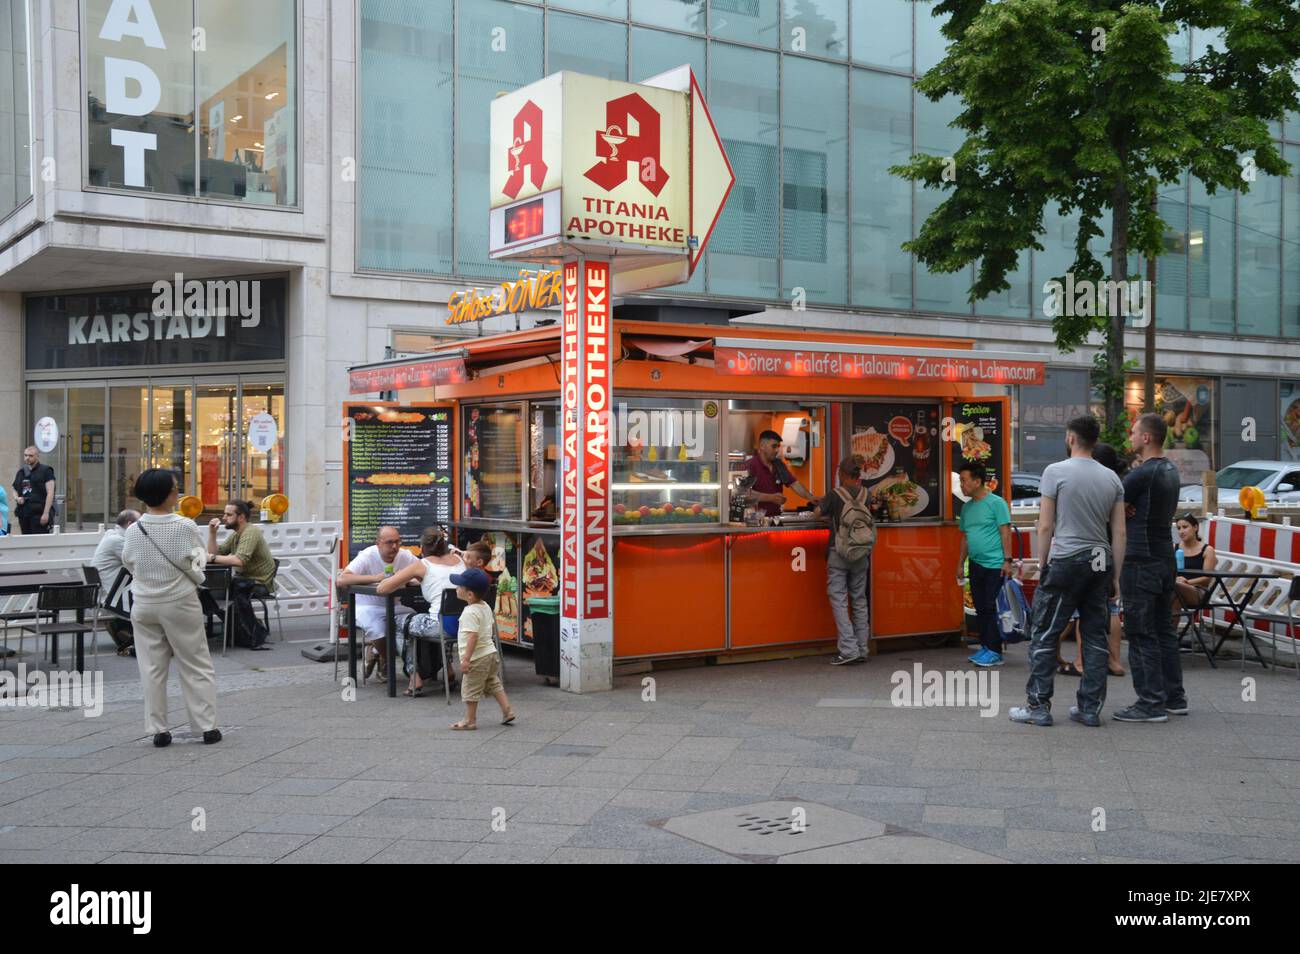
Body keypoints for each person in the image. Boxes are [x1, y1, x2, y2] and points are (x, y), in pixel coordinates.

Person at [1010, 415, 1125, 728]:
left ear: (1071, 438)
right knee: (1094, 637)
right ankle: (1089, 709)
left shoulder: (1055, 472)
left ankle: (1038, 707)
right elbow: (1119, 533)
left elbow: (1045, 524)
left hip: (1065, 560)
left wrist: (1042, 561)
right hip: (1100, 562)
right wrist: (1116, 576)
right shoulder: (1112, 479)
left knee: (1045, 634)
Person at [120, 469, 221, 748]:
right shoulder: (184, 526)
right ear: (166, 494)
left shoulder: (134, 530)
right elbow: (199, 562)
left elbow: (129, 563)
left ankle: (159, 729)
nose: (178, 492)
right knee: (195, 663)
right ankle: (206, 726)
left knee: (151, 668)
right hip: (179, 601)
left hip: (144, 603)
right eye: (175, 488)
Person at [1114, 413, 1185, 723]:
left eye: (1133, 432)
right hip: (1164, 558)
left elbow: (1110, 502)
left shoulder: (1143, 474)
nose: (1130, 437)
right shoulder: (1170, 470)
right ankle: (1174, 697)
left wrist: (1124, 508)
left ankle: (1149, 702)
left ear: (1146, 438)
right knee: (1164, 630)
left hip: (1140, 560)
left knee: (1141, 633)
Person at [1057, 442, 1128, 678]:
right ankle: (1114, 660)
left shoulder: (1089, 482)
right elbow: (1120, 531)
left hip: (1084, 553)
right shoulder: (1115, 483)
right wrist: (1117, 573)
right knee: (1112, 609)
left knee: (1082, 611)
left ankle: (1081, 661)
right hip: (1108, 553)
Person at [378, 527, 465, 697]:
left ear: (422, 547)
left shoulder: (422, 565)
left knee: (397, 621)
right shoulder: (459, 560)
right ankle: (448, 670)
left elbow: (383, 588)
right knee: (427, 620)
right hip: (467, 624)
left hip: (441, 626)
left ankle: (414, 677)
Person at [339, 526, 419, 678]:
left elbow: (423, 571)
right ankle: (385, 658)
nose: (394, 547)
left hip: (394, 606)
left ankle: (376, 651)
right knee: (377, 628)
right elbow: (342, 579)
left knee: (415, 621)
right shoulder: (368, 555)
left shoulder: (404, 556)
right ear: (378, 543)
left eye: (397, 542)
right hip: (366, 606)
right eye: (389, 542)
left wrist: (412, 579)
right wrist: (376, 578)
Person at [816, 454, 873, 665]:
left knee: (839, 599)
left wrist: (820, 507)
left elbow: (817, 513)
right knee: (859, 600)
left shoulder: (835, 494)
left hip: (839, 553)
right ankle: (862, 647)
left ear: (842, 473)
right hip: (861, 553)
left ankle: (849, 650)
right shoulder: (867, 494)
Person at [957, 461, 1013, 668]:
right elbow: (965, 538)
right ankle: (986, 646)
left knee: (991, 607)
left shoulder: (996, 503)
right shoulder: (967, 508)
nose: (961, 485)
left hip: (995, 564)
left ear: (977, 481)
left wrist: (1007, 561)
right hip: (976, 563)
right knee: (980, 607)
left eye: (964, 480)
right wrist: (959, 564)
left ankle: (995, 651)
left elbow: (1005, 531)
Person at [450, 567, 515, 730]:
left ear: (469, 594)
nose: (456, 589)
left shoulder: (469, 612)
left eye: (459, 587)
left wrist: (466, 659)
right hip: (490, 653)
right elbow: (490, 628)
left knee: (470, 688)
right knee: (493, 682)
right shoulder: (485, 606)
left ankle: (470, 720)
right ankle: (507, 710)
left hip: (476, 657)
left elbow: (472, 637)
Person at [206, 501, 276, 649]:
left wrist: (211, 558)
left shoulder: (251, 532)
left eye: (228, 514)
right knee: (209, 591)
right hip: (243, 581)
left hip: (259, 583)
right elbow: (215, 553)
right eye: (224, 514)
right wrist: (212, 533)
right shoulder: (236, 534)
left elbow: (239, 561)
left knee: (223, 590)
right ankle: (237, 629)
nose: (224, 517)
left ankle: (247, 631)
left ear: (241, 517)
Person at [92, 509, 140, 655]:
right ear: (130, 524)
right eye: (140, 524)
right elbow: (138, 562)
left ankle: (122, 629)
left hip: (109, 589)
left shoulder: (111, 535)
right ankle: (134, 639)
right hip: (113, 594)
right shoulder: (118, 541)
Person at [744, 430, 817, 518]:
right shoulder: (750, 465)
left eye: (778, 446)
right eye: (774, 446)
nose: (777, 450)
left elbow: (794, 484)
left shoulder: (778, 465)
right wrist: (771, 498)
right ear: (762, 446)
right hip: (755, 521)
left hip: (775, 519)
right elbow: (745, 493)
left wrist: (810, 497)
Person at [1173, 512, 1216, 617]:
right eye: (1178, 528)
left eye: (1185, 527)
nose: (1181, 531)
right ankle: (1170, 632)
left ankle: (1166, 631)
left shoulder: (1207, 550)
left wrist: (1186, 582)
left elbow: (1207, 578)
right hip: (1176, 589)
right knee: (1174, 595)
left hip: (1199, 591)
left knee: (1173, 589)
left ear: (1195, 527)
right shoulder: (1174, 547)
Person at [12, 446, 55, 535]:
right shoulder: (21, 472)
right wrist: (17, 498)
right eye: (26, 455)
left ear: (37, 456)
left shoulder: (46, 470)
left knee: (40, 542)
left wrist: (46, 513)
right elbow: (14, 488)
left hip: (39, 513)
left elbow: (50, 493)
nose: (27, 458)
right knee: (26, 541)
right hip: (24, 513)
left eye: (31, 456)